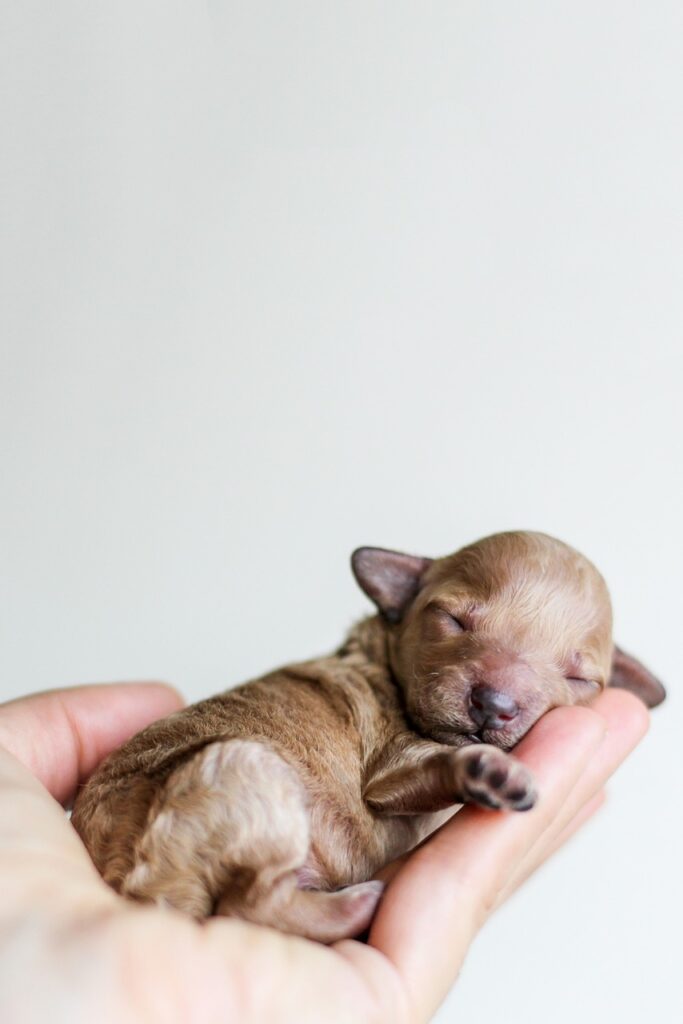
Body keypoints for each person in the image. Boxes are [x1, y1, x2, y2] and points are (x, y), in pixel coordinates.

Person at [0, 681, 648, 1023]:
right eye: (456, 621)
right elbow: (389, 783)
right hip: (195, 826)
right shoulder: (369, 692)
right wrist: (454, 771)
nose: (500, 691)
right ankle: (274, 901)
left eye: (569, 672)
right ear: (400, 595)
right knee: (248, 778)